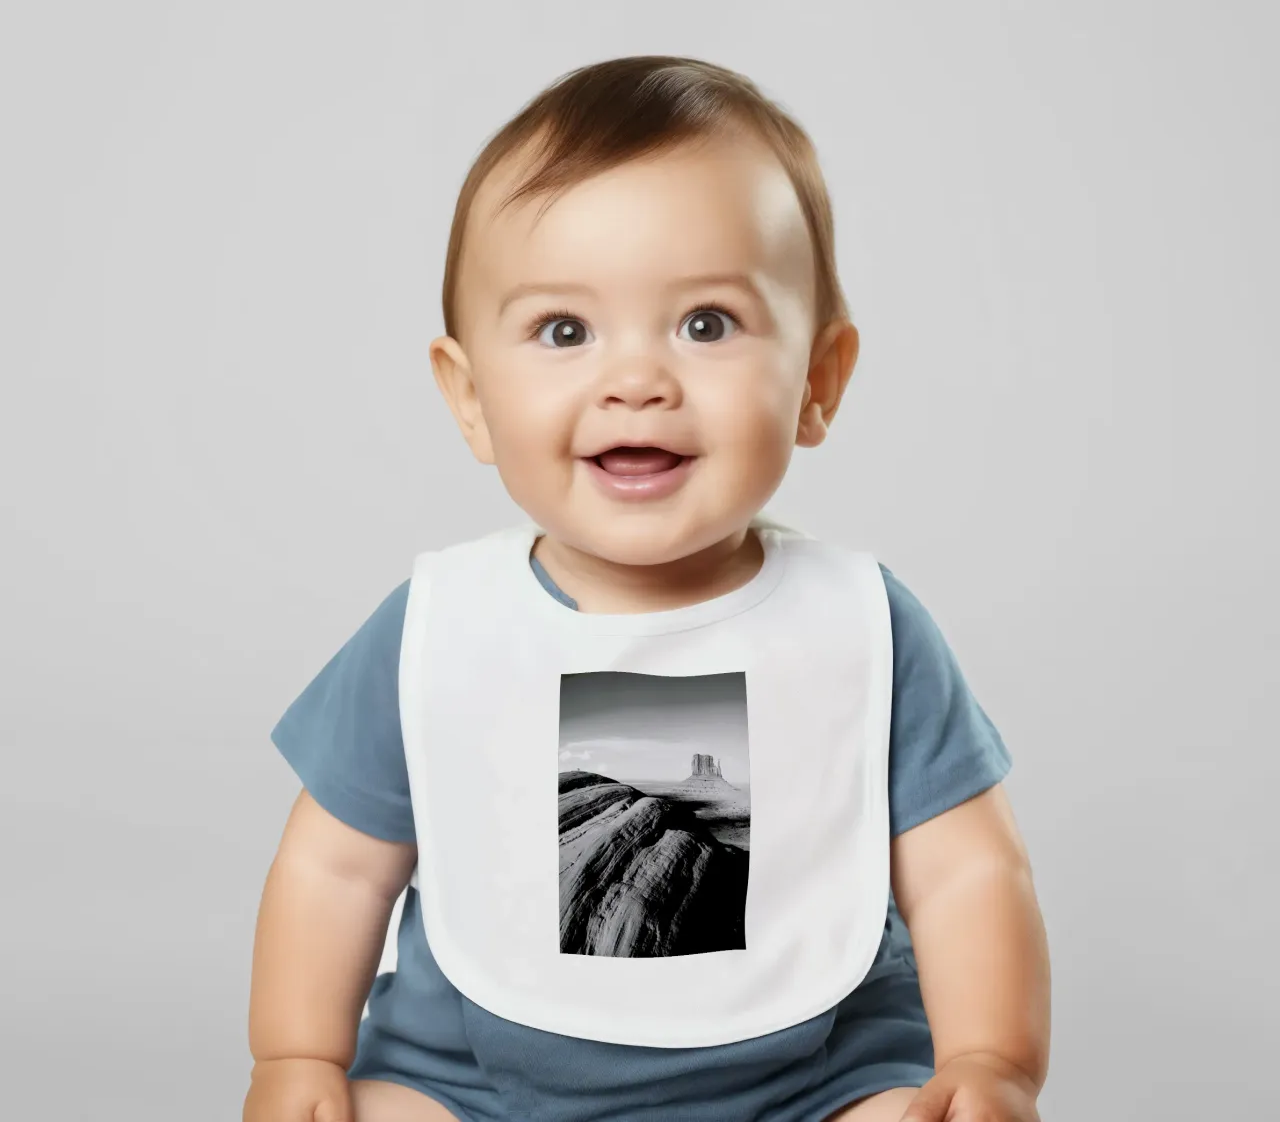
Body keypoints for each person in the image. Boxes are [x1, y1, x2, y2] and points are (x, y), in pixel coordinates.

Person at [243, 55, 1051, 1122]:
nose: (636, 379)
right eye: (564, 331)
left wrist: (993, 1059)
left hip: (812, 1079)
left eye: (706, 323)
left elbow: (964, 871)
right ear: (470, 396)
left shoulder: (865, 626)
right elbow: (336, 868)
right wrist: (295, 1053)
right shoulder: (436, 628)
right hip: (473, 1081)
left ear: (817, 379)